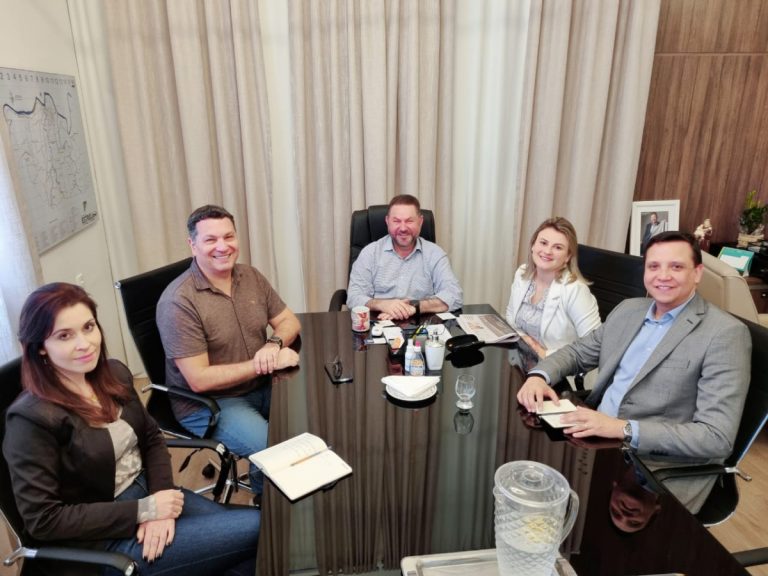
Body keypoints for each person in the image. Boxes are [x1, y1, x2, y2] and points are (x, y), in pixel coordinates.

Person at [3, 283, 260, 576]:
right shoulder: (30, 419)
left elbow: (151, 438)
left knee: (253, 554)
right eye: (64, 336)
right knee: (258, 527)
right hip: (102, 541)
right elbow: (43, 519)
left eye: (88, 327)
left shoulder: (113, 374)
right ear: (40, 347)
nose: (84, 343)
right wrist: (144, 510)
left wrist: (159, 502)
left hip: (152, 493)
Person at [517, 231, 751, 512]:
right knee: (530, 483)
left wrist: (622, 428)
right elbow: (578, 353)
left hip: (653, 469)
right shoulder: (629, 310)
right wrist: (538, 376)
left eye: (676, 266)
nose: (663, 276)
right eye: (654, 266)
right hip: (594, 440)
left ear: (697, 273)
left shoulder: (724, 334)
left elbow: (716, 438)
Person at [156, 205, 301, 498]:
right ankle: (266, 509)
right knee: (272, 448)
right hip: (210, 402)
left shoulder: (250, 276)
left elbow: (290, 321)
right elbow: (199, 380)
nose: (223, 247)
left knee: (315, 419)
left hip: (260, 384)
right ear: (192, 245)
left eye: (228, 237)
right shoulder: (178, 302)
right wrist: (265, 363)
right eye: (210, 240)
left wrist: (272, 345)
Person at [346, 195, 463, 320]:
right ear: (387, 221)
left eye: (409, 221)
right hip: (379, 323)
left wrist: (416, 307)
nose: (403, 228)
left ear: (420, 222)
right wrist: (381, 304)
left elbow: (454, 295)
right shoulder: (370, 253)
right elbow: (353, 297)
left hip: (421, 325)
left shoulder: (435, 254)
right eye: (396, 221)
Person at [505, 217, 601, 358]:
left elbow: (594, 346)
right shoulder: (522, 274)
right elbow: (510, 316)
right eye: (543, 243)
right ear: (533, 245)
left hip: (557, 366)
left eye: (558, 247)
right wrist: (524, 339)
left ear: (568, 256)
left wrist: (544, 353)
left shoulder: (575, 290)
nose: (548, 251)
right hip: (521, 359)